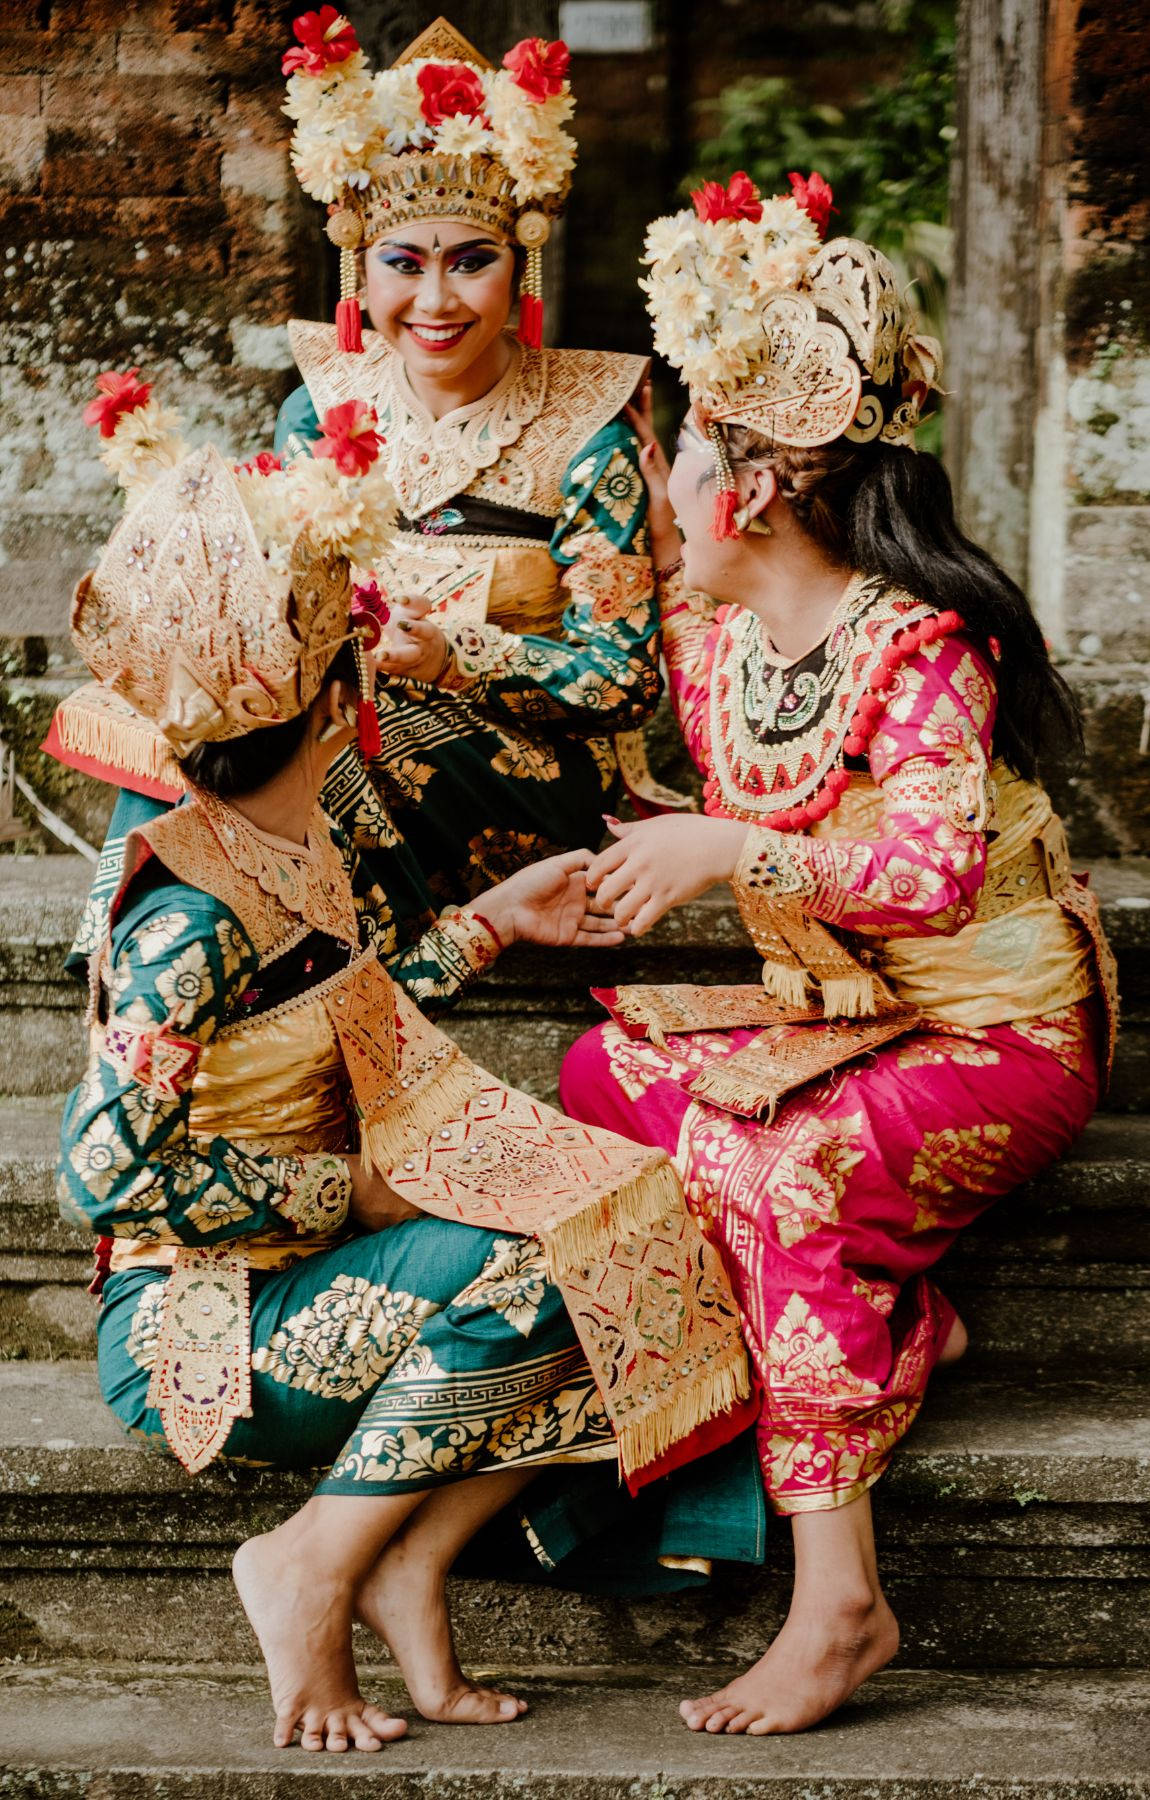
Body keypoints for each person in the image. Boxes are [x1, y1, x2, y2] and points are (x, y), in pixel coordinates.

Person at [57, 374, 756, 1752]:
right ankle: (312, 1560)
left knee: (633, 1210)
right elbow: (98, 1173)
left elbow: (343, 997)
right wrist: (339, 1200)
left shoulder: (291, 836)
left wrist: (494, 923)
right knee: (557, 1252)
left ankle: (406, 1566)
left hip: (301, 1271)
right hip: (195, 1318)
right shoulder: (187, 910)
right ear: (335, 707)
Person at [559, 171, 1117, 1736]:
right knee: (597, 1068)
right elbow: (714, 803)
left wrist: (726, 853)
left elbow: (929, 866)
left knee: (781, 1180)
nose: (664, 488)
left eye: (680, 457)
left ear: (755, 485)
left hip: (997, 1042)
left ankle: (839, 1604)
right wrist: (588, 870)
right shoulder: (715, 638)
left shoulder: (923, 642)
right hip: (845, 1019)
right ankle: (891, 1308)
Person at [44, 10, 681, 979]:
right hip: (337, 704)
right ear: (358, 262)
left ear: (522, 262)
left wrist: (455, 654)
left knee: (324, 770)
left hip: (525, 752)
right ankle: (132, 968)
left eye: (472, 262)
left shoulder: (584, 431)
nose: (435, 303)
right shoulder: (317, 409)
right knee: (181, 715)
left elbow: (621, 677)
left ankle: (302, 988)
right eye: (404, 264)